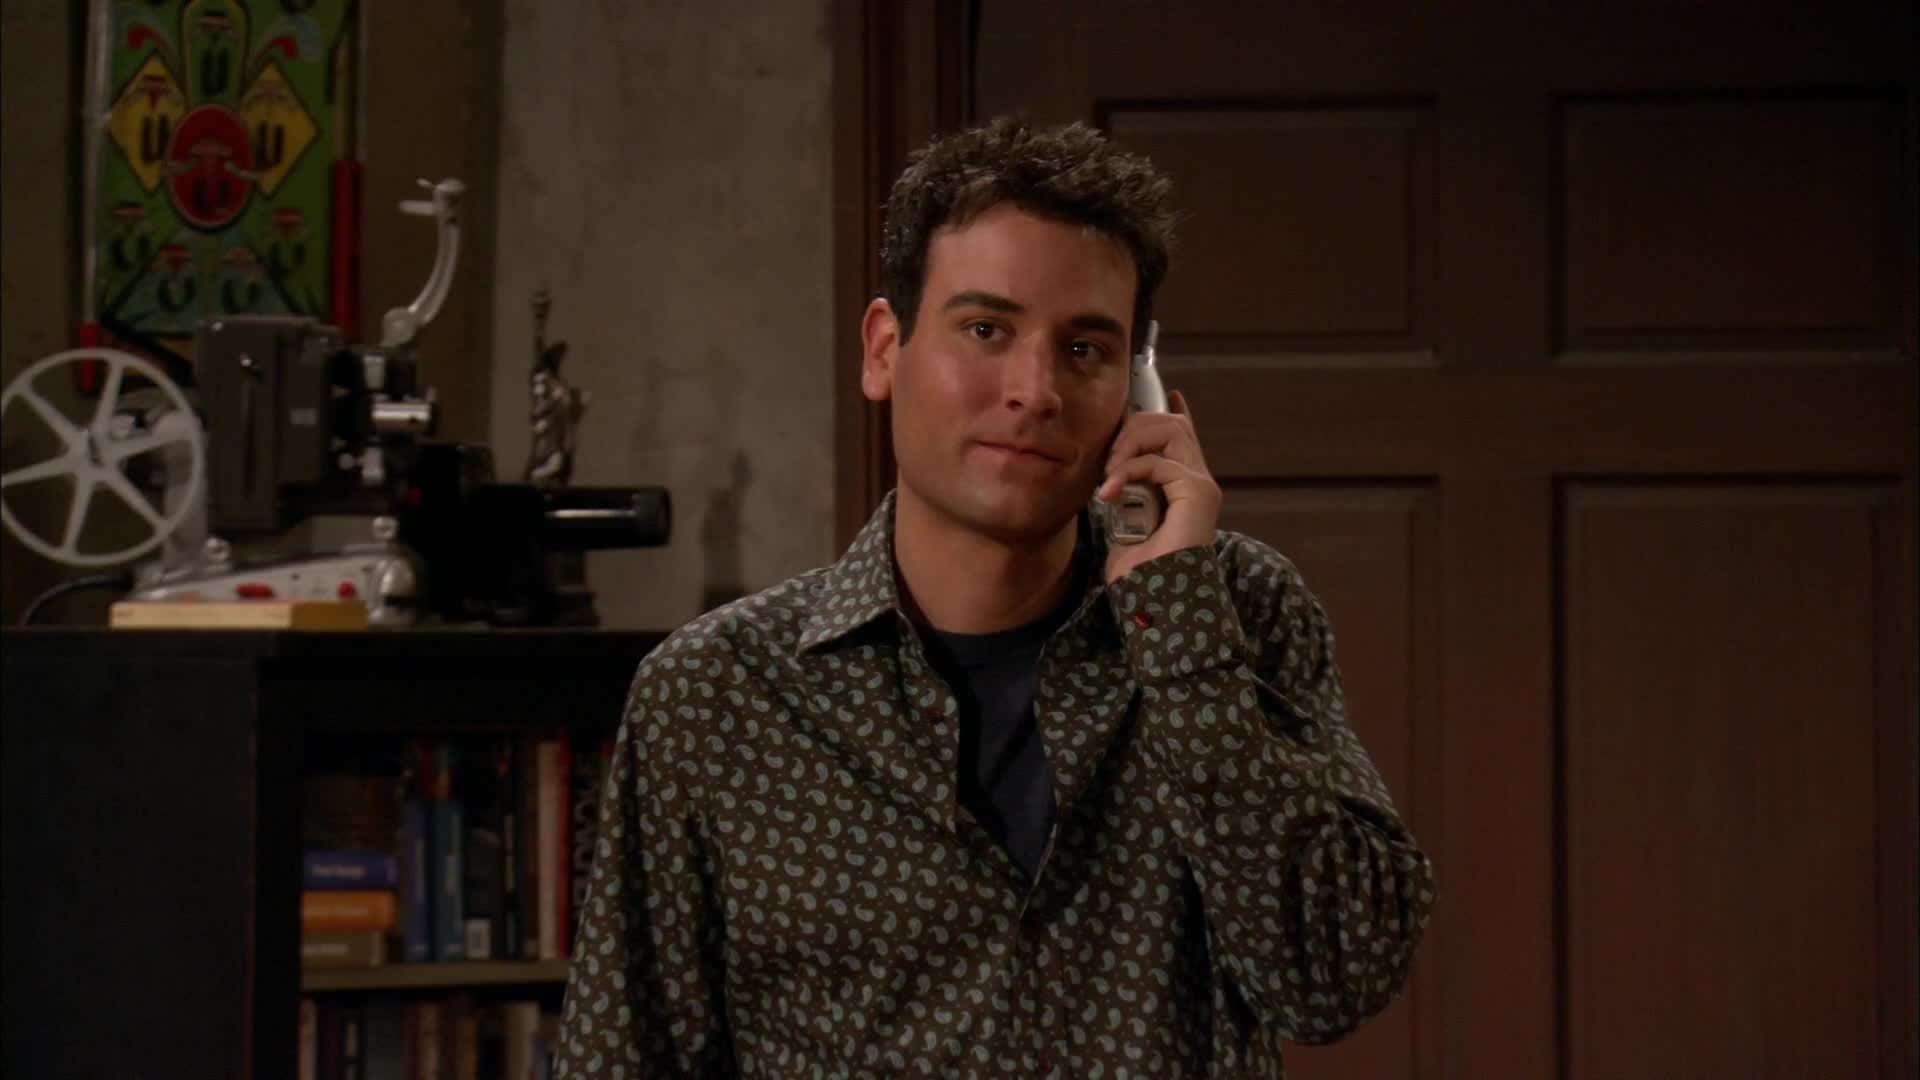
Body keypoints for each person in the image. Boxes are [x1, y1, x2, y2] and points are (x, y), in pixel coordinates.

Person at [557, 116, 1435, 1078]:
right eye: (986, 330)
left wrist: (1176, 629)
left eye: (1086, 349)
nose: (1035, 389)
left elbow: (1332, 980)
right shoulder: (716, 695)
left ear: (1139, 391)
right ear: (883, 349)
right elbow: (622, 1058)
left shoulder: (1236, 610)